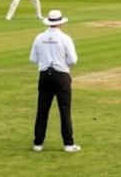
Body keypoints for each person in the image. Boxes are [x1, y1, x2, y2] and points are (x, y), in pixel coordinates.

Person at [30, 10, 80, 153]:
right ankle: (68, 144)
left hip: (44, 74)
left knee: (42, 109)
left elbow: (33, 58)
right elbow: (73, 60)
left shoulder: (39, 37)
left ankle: (38, 143)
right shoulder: (65, 38)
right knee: (64, 109)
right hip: (61, 75)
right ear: (60, 24)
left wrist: (46, 59)